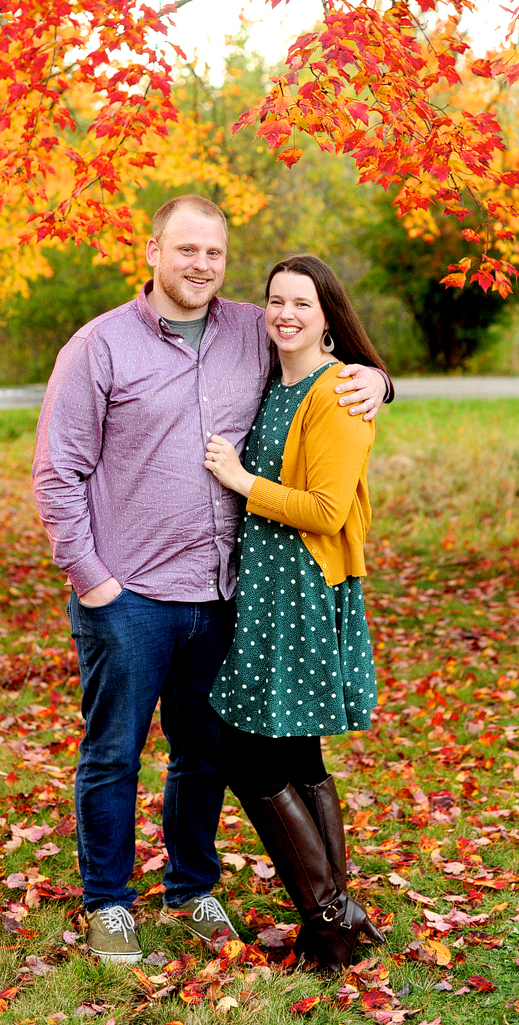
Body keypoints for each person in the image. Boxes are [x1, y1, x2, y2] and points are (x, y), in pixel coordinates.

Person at [32, 196, 391, 965]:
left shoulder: (247, 329)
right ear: (153, 249)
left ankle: (193, 887)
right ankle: (108, 903)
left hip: (224, 595)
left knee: (205, 756)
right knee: (113, 754)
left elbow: (322, 366)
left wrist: (379, 380)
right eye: (186, 249)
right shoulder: (100, 347)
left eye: (214, 253)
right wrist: (92, 579)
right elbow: (58, 473)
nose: (200, 265)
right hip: (128, 596)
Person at [203, 253, 387, 975]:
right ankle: (341, 911)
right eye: (275, 299)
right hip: (268, 591)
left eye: (301, 303)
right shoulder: (280, 381)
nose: (284, 313)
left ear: (329, 316)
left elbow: (327, 509)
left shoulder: (338, 390)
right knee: (296, 752)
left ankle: (328, 916)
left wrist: (242, 480)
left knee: (248, 753)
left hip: (303, 591)